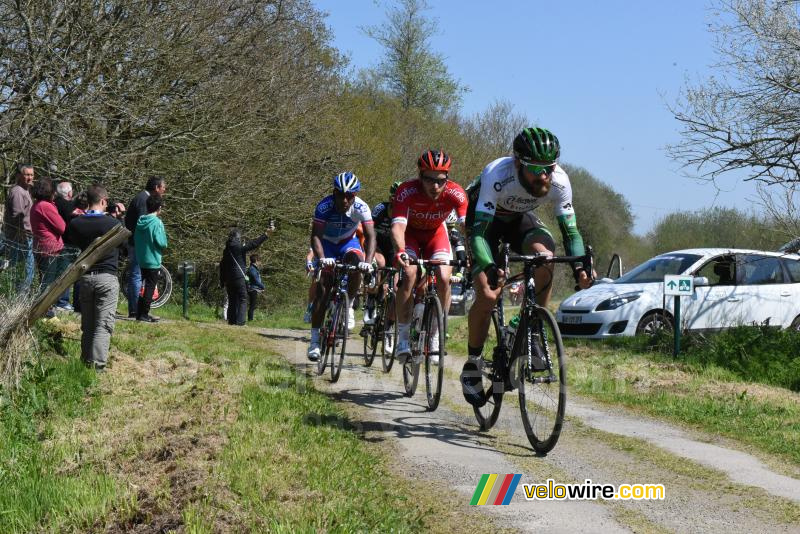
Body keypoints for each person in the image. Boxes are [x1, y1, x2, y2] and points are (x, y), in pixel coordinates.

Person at [461, 127, 592, 406]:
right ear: (518, 162)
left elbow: (570, 233)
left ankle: (532, 326)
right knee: (488, 293)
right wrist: (488, 264)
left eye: (549, 167)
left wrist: (581, 268)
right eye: (536, 168)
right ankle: (472, 363)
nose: (544, 175)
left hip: (519, 218)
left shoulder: (559, 181)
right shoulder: (498, 174)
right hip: (484, 224)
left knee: (546, 256)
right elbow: (481, 234)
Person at [392, 150, 467, 364]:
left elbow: (466, 227)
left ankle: (435, 335)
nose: (435, 186)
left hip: (436, 234)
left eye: (441, 180)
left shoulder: (456, 193)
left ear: (447, 178)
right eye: (429, 179)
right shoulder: (406, 191)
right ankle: (404, 337)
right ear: (420, 175)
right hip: (411, 236)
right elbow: (398, 226)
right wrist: (400, 251)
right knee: (409, 273)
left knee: (444, 278)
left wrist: (471, 254)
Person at [307, 172, 375, 361]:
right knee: (323, 288)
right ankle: (314, 341)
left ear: (355, 195)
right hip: (326, 244)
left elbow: (370, 236)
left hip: (348, 243)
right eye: (340, 195)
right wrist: (321, 259)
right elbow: (315, 236)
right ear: (334, 192)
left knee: (357, 265)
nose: (344, 200)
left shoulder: (362, 207)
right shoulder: (324, 206)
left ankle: (350, 304)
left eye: (350, 196)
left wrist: (367, 263)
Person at [64, 184, 122, 371]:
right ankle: (97, 365)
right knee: (103, 324)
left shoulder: (76, 224)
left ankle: (85, 361)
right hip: (107, 276)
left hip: (86, 277)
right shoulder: (113, 225)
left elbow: (70, 240)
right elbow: (125, 247)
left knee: (88, 324)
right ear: (103, 201)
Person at [125, 176, 167, 318]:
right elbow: (147, 229)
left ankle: (137, 309)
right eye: (163, 187)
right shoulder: (144, 201)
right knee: (140, 278)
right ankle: (137, 310)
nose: (164, 190)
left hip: (136, 244)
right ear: (156, 188)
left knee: (139, 278)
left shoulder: (140, 197)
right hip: (141, 248)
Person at [29, 177, 73, 311]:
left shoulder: (37, 204)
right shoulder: (46, 206)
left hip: (42, 246)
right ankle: (44, 310)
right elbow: (62, 227)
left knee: (45, 280)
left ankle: (45, 308)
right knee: (49, 282)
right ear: (49, 191)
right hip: (50, 248)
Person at [221, 227, 270, 326]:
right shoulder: (239, 247)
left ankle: (232, 321)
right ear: (238, 237)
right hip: (239, 277)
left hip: (229, 279)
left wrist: (222, 280)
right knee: (243, 298)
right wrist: (265, 235)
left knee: (232, 299)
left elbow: (222, 265)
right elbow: (254, 244)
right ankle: (240, 322)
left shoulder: (226, 250)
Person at [134, 194, 168, 323]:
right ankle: (144, 313)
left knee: (142, 285)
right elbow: (161, 242)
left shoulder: (140, 221)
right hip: (153, 259)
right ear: (158, 208)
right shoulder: (157, 222)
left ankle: (138, 312)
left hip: (141, 257)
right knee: (150, 287)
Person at [2, 164, 35, 292]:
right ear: (19, 176)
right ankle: (21, 294)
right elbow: (17, 216)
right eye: (27, 174)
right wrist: (22, 233)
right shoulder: (17, 192)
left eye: (31, 174)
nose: (30, 177)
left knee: (24, 267)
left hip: (25, 236)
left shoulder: (26, 190)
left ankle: (21, 292)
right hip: (20, 237)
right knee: (23, 268)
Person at [246, 254, 265, 321]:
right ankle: (250, 319)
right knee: (252, 305)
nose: (260, 262)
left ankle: (250, 319)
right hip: (252, 289)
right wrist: (263, 286)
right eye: (259, 261)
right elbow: (256, 280)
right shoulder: (252, 269)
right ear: (256, 261)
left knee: (253, 305)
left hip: (254, 288)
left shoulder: (253, 268)